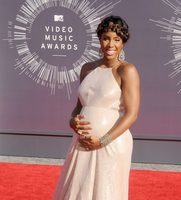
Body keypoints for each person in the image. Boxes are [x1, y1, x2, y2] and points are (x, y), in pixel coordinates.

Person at [53, 15, 140, 200]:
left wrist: (103, 141)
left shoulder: (127, 70)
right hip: (82, 142)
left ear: (123, 42)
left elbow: (131, 115)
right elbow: (79, 108)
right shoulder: (87, 69)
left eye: (117, 40)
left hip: (111, 143)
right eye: (106, 38)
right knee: (77, 191)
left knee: (106, 193)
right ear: (99, 39)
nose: (111, 44)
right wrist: (72, 121)